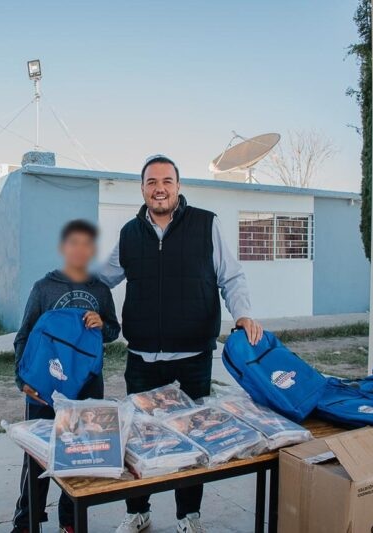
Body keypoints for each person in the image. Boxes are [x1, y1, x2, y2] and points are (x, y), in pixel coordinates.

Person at [100, 154, 262, 533]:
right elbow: (102, 278)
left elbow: (232, 278)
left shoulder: (206, 224)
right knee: (139, 438)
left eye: (167, 180)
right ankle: (137, 511)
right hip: (142, 359)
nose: (160, 188)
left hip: (192, 358)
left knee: (192, 439)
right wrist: (66, 284)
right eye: (152, 181)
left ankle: (188, 516)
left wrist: (243, 314)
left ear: (178, 185)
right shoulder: (129, 233)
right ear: (142, 189)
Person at [11, 219, 120, 533]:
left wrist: (103, 323)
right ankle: (26, 522)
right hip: (45, 387)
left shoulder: (100, 289)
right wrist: (23, 380)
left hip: (87, 387)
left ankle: (70, 521)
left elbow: (113, 331)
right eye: (74, 243)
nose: (80, 250)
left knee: (78, 454)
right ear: (63, 248)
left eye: (87, 244)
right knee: (36, 457)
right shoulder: (44, 288)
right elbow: (24, 336)